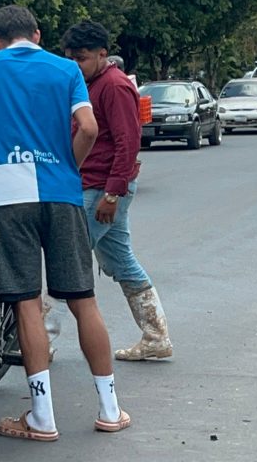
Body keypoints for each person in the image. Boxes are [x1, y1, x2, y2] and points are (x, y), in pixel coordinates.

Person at [0, 5, 131, 440]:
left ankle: (42, 417)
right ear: (37, 34)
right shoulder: (66, 68)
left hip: (8, 195)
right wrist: (67, 170)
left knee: (26, 301)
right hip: (61, 193)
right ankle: (110, 410)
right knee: (83, 301)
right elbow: (89, 128)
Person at [62, 21, 173, 361]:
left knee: (66, 260)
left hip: (101, 188)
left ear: (102, 54)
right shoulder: (86, 85)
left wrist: (112, 194)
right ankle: (155, 336)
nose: (75, 65)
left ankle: (40, 339)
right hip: (93, 184)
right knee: (121, 261)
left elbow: (128, 142)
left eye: (81, 58)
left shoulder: (114, 86)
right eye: (70, 59)